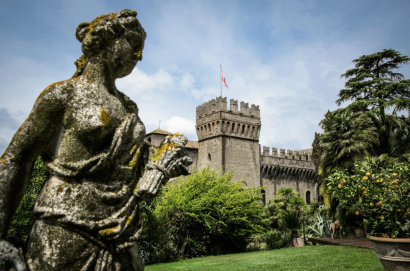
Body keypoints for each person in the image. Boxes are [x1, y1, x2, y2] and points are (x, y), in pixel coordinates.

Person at [0, 9, 191, 271]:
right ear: (106, 40)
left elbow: (129, 172)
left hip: (122, 229)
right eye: (133, 44)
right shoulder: (63, 95)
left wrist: (161, 167)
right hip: (66, 225)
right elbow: (17, 160)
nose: (139, 56)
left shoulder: (128, 107)